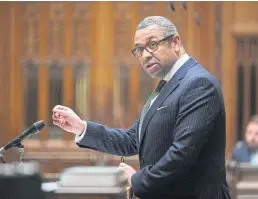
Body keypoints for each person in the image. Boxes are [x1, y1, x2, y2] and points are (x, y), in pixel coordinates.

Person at [52, 16, 231, 199]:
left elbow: (182, 153)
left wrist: (136, 179)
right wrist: (81, 127)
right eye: (139, 49)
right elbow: (132, 140)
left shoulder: (198, 83)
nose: (145, 55)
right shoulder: (167, 85)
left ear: (175, 43)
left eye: (153, 44)